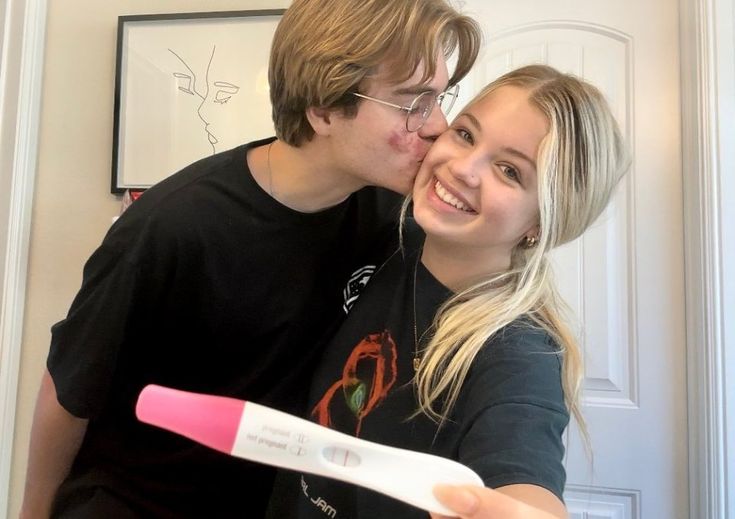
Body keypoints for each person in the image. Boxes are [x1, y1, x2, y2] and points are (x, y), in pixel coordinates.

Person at [19, 1, 481, 517]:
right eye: (413, 102)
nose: (438, 124)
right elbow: (70, 390)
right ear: (325, 110)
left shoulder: (393, 217)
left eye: (440, 98)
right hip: (134, 501)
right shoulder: (171, 227)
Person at [266, 64, 629, 519]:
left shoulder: (516, 351)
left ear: (541, 223)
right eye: (465, 134)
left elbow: (523, 472)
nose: (463, 168)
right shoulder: (390, 237)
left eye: (510, 171)